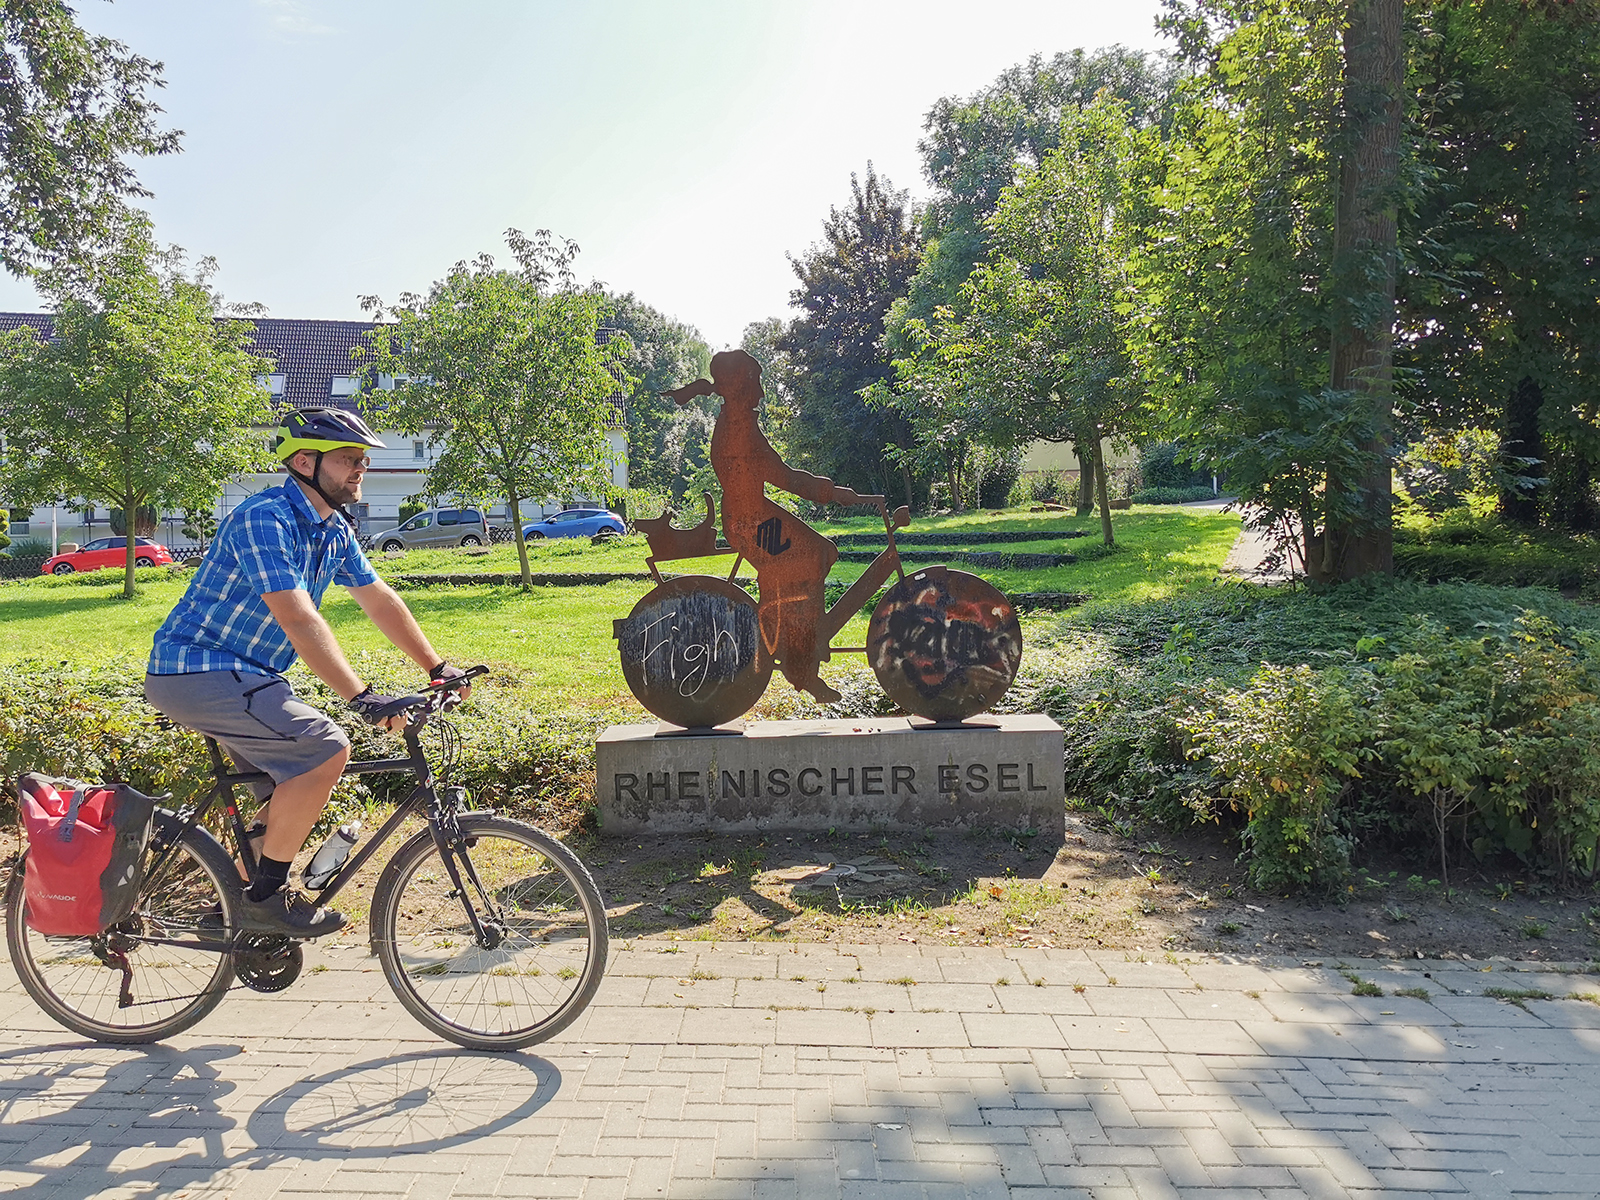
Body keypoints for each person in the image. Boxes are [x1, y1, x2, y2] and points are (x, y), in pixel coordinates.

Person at [144, 407, 467, 938]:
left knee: (286, 792)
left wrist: (436, 666)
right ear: (303, 462)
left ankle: (232, 910)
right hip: (198, 668)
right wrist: (361, 697)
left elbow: (378, 599)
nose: (360, 468)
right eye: (348, 458)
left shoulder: (333, 529)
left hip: (251, 677)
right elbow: (296, 616)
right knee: (323, 749)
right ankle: (267, 901)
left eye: (363, 459)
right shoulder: (263, 518)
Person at [667, 350, 879, 703]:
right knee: (810, 558)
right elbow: (785, 477)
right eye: (756, 383)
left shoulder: (737, 422)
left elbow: (782, 474)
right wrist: (834, 493)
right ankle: (793, 653)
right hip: (749, 521)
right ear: (740, 386)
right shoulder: (738, 430)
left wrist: (832, 492)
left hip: (753, 514)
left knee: (822, 553)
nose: (762, 393)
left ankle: (799, 640)